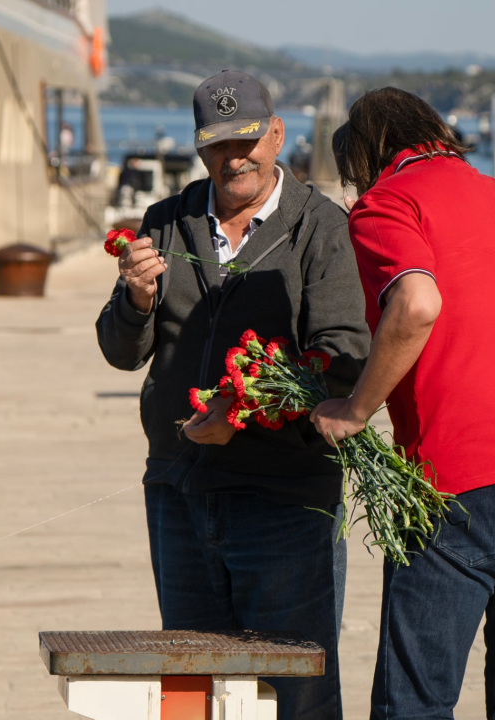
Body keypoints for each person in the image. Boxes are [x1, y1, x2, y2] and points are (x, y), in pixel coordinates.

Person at [312, 87, 495, 719]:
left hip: (465, 478)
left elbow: (416, 304)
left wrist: (355, 409)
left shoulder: (387, 202)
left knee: (413, 701)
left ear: (367, 154)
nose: (353, 189)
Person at [96, 69, 370, 720]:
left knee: (294, 693)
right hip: (178, 494)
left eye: (248, 139)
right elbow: (120, 351)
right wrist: (135, 300)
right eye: (219, 144)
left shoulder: (322, 228)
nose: (235, 156)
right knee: (196, 694)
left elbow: (340, 360)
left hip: (285, 502)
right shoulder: (167, 220)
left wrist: (239, 416)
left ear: (277, 135)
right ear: (199, 148)